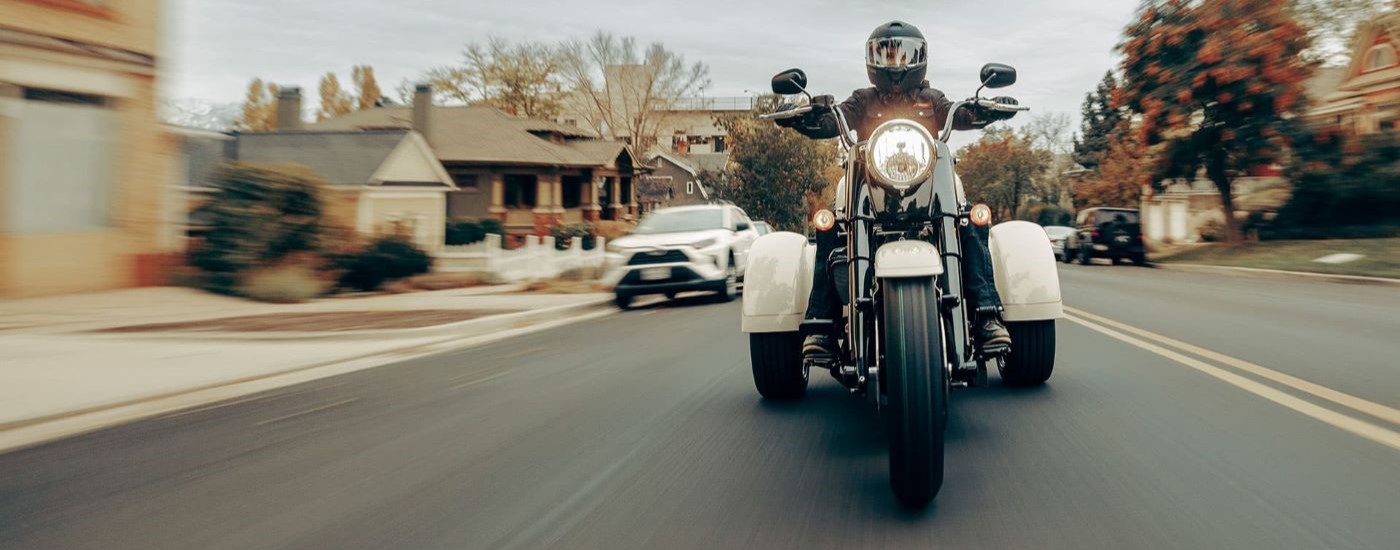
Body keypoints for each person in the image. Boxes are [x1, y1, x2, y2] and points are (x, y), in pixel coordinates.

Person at [774, 20, 1014, 358]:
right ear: (872, 60)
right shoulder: (862, 100)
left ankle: (987, 315)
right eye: (886, 55)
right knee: (830, 225)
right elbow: (834, 119)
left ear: (919, 58)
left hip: (929, 185)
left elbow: (956, 116)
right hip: (869, 186)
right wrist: (806, 117)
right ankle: (821, 323)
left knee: (969, 220)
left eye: (902, 55)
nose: (895, 63)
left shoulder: (932, 100)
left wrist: (981, 110)